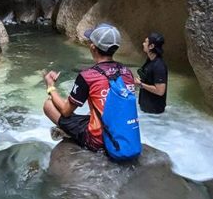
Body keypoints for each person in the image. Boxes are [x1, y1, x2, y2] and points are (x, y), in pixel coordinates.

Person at [42, 23, 136, 151]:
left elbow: (65, 111)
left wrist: (51, 86)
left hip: (98, 141)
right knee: (93, 111)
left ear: (93, 47)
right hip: (125, 134)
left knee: (49, 104)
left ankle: (74, 136)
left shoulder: (88, 76)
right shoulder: (127, 72)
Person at [135, 32, 168, 114]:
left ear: (151, 46)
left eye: (146, 42)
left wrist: (141, 84)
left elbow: (160, 91)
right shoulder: (150, 61)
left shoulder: (159, 66)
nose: (143, 44)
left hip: (154, 112)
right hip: (147, 110)